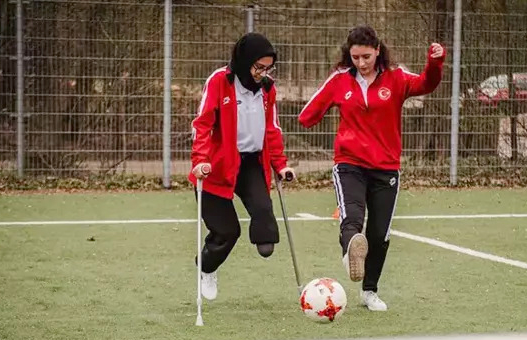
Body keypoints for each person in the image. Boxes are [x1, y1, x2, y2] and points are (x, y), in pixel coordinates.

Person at [298, 25, 445, 311]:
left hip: (386, 169)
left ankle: (369, 292)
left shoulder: (397, 77)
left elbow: (427, 83)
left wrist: (435, 61)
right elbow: (306, 116)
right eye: (355, 58)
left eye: (366, 56)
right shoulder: (339, 80)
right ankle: (349, 253)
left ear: (378, 51)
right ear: (348, 55)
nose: (361, 63)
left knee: (379, 234)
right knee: (352, 217)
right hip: (349, 164)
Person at [189, 32, 295, 301]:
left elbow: (271, 129)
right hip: (218, 166)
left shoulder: (268, 88)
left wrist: (280, 165)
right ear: (244, 60)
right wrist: (200, 161)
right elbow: (202, 124)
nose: (262, 73)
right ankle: (206, 268)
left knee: (265, 230)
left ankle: (261, 237)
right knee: (227, 232)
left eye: (268, 68)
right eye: (258, 67)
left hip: (250, 163)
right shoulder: (220, 82)